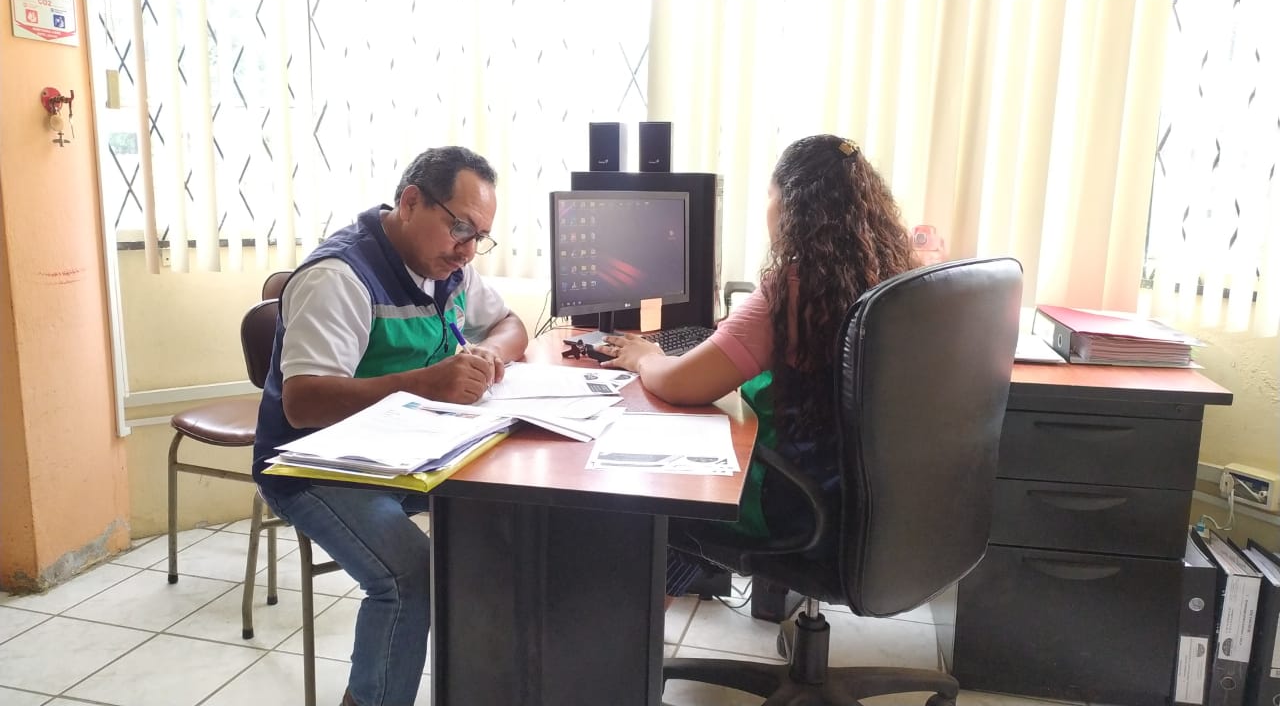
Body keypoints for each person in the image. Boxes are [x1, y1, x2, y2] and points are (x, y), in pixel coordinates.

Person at [252, 146, 529, 706]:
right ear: (410, 202)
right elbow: (303, 404)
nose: (467, 249)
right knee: (410, 580)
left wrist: (491, 354)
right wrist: (427, 384)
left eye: (479, 237)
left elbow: (509, 323)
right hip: (317, 466)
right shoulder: (339, 277)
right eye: (460, 228)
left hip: (412, 451)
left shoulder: (448, 267)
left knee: (520, 525)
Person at [595, 134, 918, 601]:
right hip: (866, 508)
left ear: (789, 206)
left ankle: (631, 630)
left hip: (799, 508)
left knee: (659, 499)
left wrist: (647, 356)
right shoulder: (895, 275)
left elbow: (681, 385)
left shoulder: (793, 289)